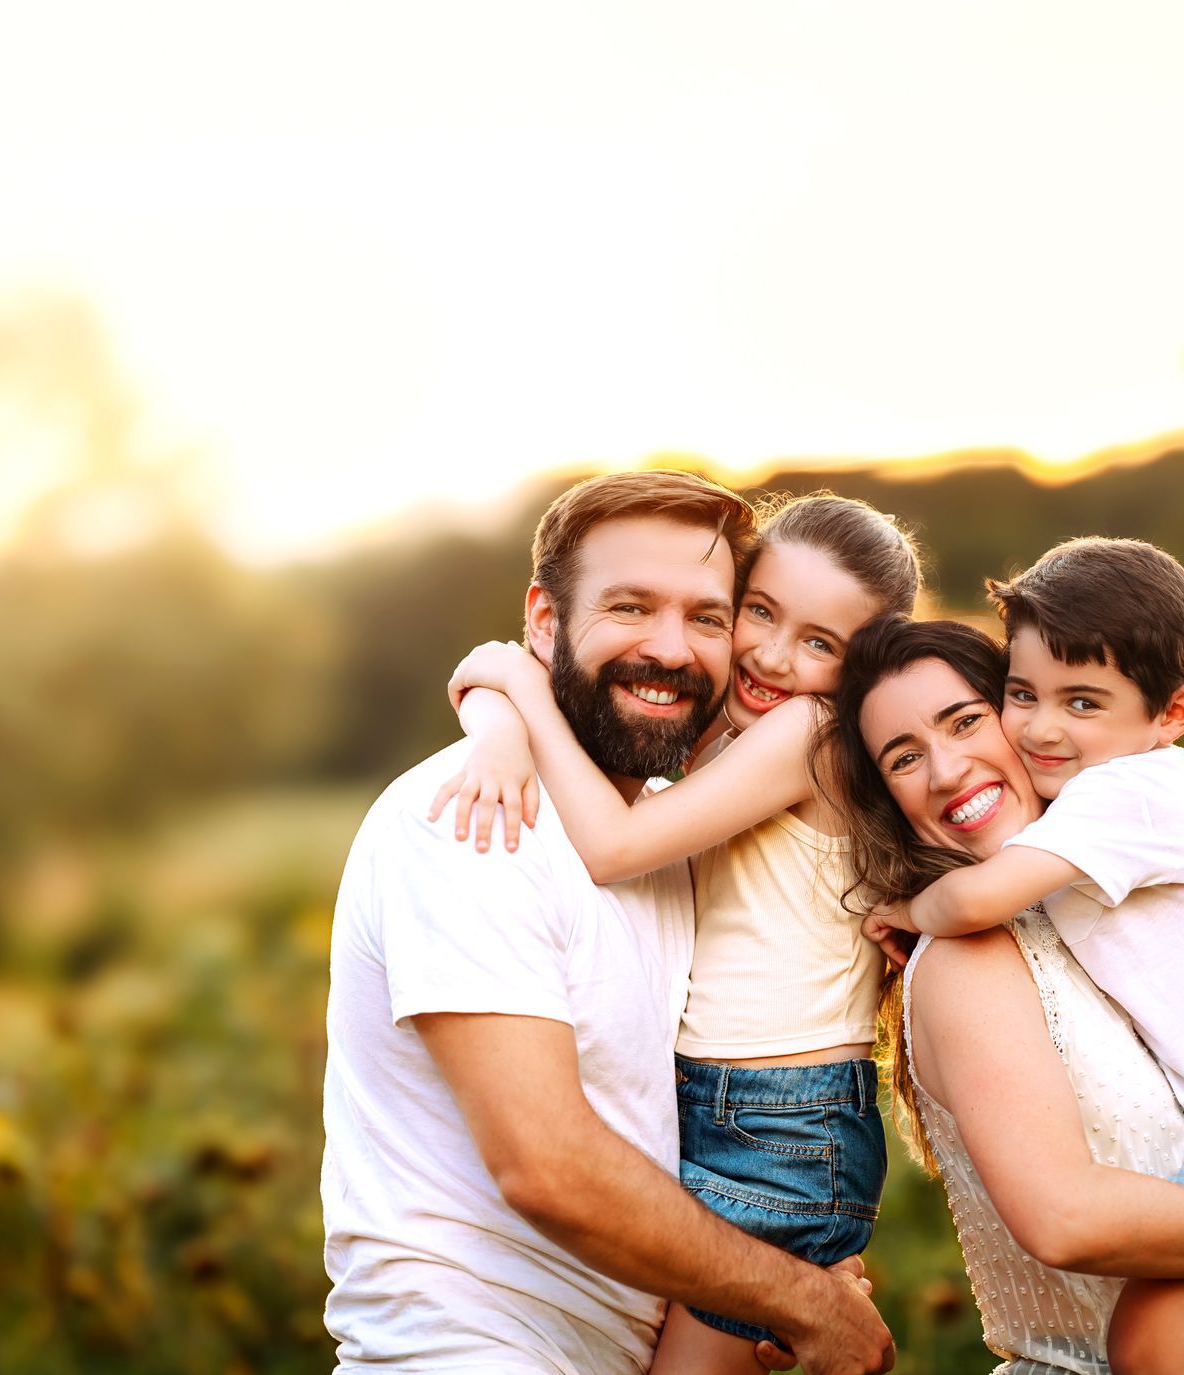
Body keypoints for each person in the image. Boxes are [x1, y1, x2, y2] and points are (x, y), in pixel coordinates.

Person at [320, 471, 893, 1375]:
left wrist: (772, 1272)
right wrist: (797, 1297)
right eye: (630, 606)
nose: (671, 648)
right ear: (544, 621)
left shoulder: (682, 824)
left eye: (707, 616)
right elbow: (546, 1164)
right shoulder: (473, 814)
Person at [829, 616, 1184, 1375]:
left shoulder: (1094, 909)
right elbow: (1063, 1219)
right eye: (904, 758)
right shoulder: (968, 955)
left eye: (966, 720)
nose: (945, 771)